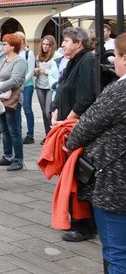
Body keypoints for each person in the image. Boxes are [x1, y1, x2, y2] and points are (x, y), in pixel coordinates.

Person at [64, 32, 126, 273]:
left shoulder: (119, 92)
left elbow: (84, 127)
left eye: (118, 56)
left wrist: (68, 143)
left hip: (116, 184)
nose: (113, 61)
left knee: (117, 252)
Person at [51, 26, 98, 242]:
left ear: (79, 43)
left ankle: (84, 226)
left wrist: (67, 120)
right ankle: (79, 222)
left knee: (78, 177)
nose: (62, 44)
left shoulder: (87, 60)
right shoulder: (73, 61)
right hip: (67, 124)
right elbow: (62, 88)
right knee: (72, 175)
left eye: (66, 41)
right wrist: (54, 110)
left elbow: (86, 97)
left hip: (76, 127)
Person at [0, 34, 27, 172]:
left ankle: (18, 159)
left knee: (14, 131)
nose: (2, 46)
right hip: (1, 99)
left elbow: (15, 80)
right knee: (4, 130)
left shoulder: (19, 61)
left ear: (13, 46)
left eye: (5, 44)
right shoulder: (5, 60)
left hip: (12, 101)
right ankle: (7, 156)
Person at [34, 35, 59, 142]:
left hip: (50, 87)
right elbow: (36, 71)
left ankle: (52, 134)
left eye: (48, 45)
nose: (45, 47)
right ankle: (47, 134)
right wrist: (36, 71)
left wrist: (45, 71)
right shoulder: (39, 55)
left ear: (52, 45)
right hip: (40, 85)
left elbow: (57, 72)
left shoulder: (56, 55)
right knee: (44, 112)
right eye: (43, 44)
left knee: (48, 111)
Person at [14, 31, 36, 144]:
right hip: (16, 86)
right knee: (16, 109)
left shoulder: (28, 53)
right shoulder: (14, 53)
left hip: (27, 85)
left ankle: (30, 134)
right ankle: (18, 132)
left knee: (27, 108)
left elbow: (31, 71)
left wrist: (22, 82)